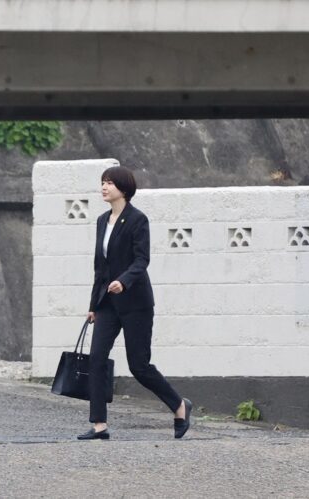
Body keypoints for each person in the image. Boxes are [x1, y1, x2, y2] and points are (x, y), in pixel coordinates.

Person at [79, 166, 191, 440]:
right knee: (96, 359)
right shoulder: (101, 220)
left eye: (109, 183)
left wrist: (124, 281)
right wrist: (94, 304)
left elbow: (142, 260)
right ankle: (99, 425)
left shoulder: (138, 219)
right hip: (107, 303)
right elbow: (100, 267)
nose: (104, 187)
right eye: (102, 183)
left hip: (135, 302)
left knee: (139, 366)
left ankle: (179, 406)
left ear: (123, 188)